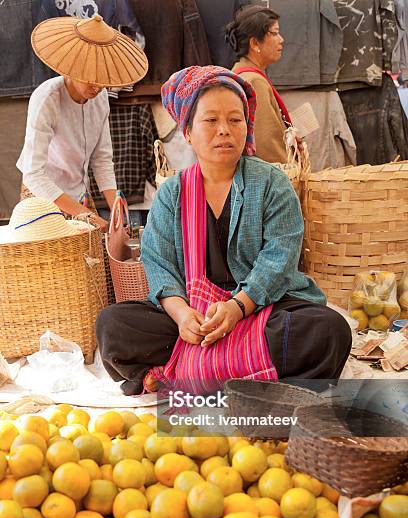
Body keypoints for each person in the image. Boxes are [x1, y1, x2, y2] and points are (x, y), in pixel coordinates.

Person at [96, 65, 352, 396]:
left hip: (260, 309)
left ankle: (187, 370)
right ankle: (248, 371)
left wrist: (236, 307)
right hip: (196, 320)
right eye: (211, 120)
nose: (224, 130)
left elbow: (280, 258)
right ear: (187, 131)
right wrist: (182, 315)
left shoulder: (272, 185)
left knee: (329, 331)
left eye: (235, 120)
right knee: (113, 326)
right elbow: (158, 263)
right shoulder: (172, 194)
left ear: (247, 127)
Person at [16, 15, 148, 231]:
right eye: (89, 75)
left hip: (78, 193)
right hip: (42, 194)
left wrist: (117, 208)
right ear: (71, 67)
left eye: (102, 77)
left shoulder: (101, 98)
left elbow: (102, 159)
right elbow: (33, 174)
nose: (97, 85)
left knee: (98, 253)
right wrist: (87, 215)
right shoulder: (47, 98)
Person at [226, 5, 291, 164]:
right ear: (255, 43)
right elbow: (268, 146)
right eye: (274, 33)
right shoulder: (254, 82)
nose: (281, 39)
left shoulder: (239, 73)